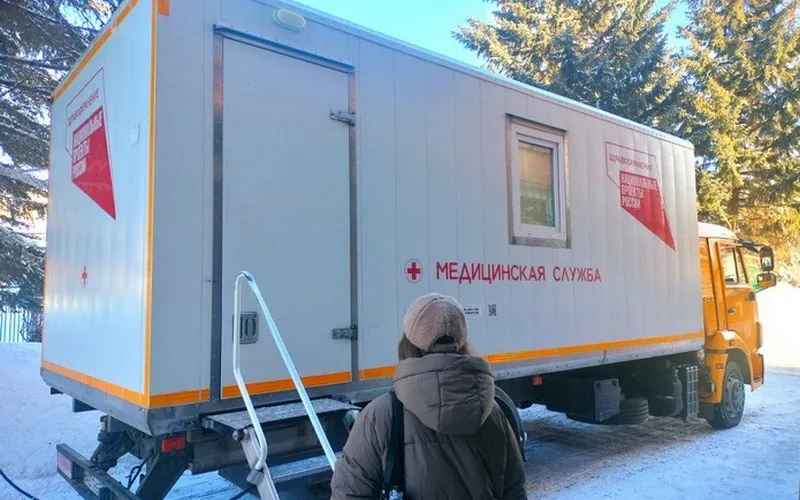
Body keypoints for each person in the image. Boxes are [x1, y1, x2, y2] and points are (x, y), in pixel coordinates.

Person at [330, 293, 526, 499]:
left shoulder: (381, 415)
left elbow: (349, 494)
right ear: (462, 343)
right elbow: (515, 491)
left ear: (407, 343)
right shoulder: (494, 413)